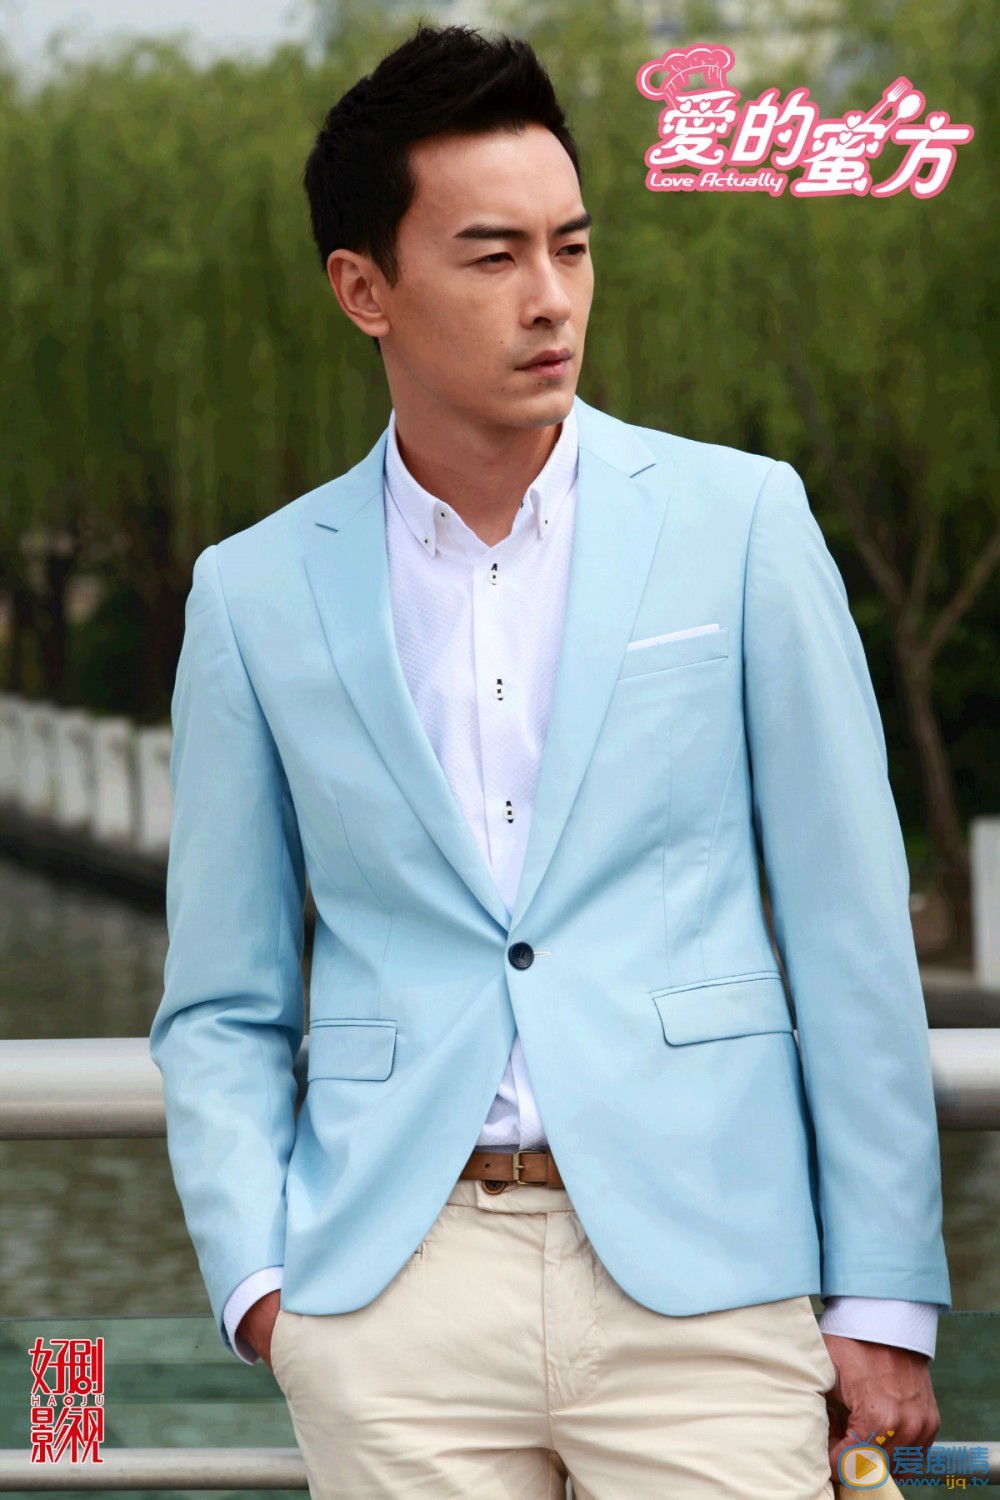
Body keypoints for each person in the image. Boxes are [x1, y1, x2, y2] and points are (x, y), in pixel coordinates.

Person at [149, 22, 950, 1499]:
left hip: (711, 1283)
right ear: (364, 289)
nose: (551, 299)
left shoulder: (742, 524)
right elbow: (222, 994)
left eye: (571, 248)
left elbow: (850, 929)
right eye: (493, 255)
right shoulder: (254, 594)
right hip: (394, 1292)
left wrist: (885, 1294)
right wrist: (263, 1285)